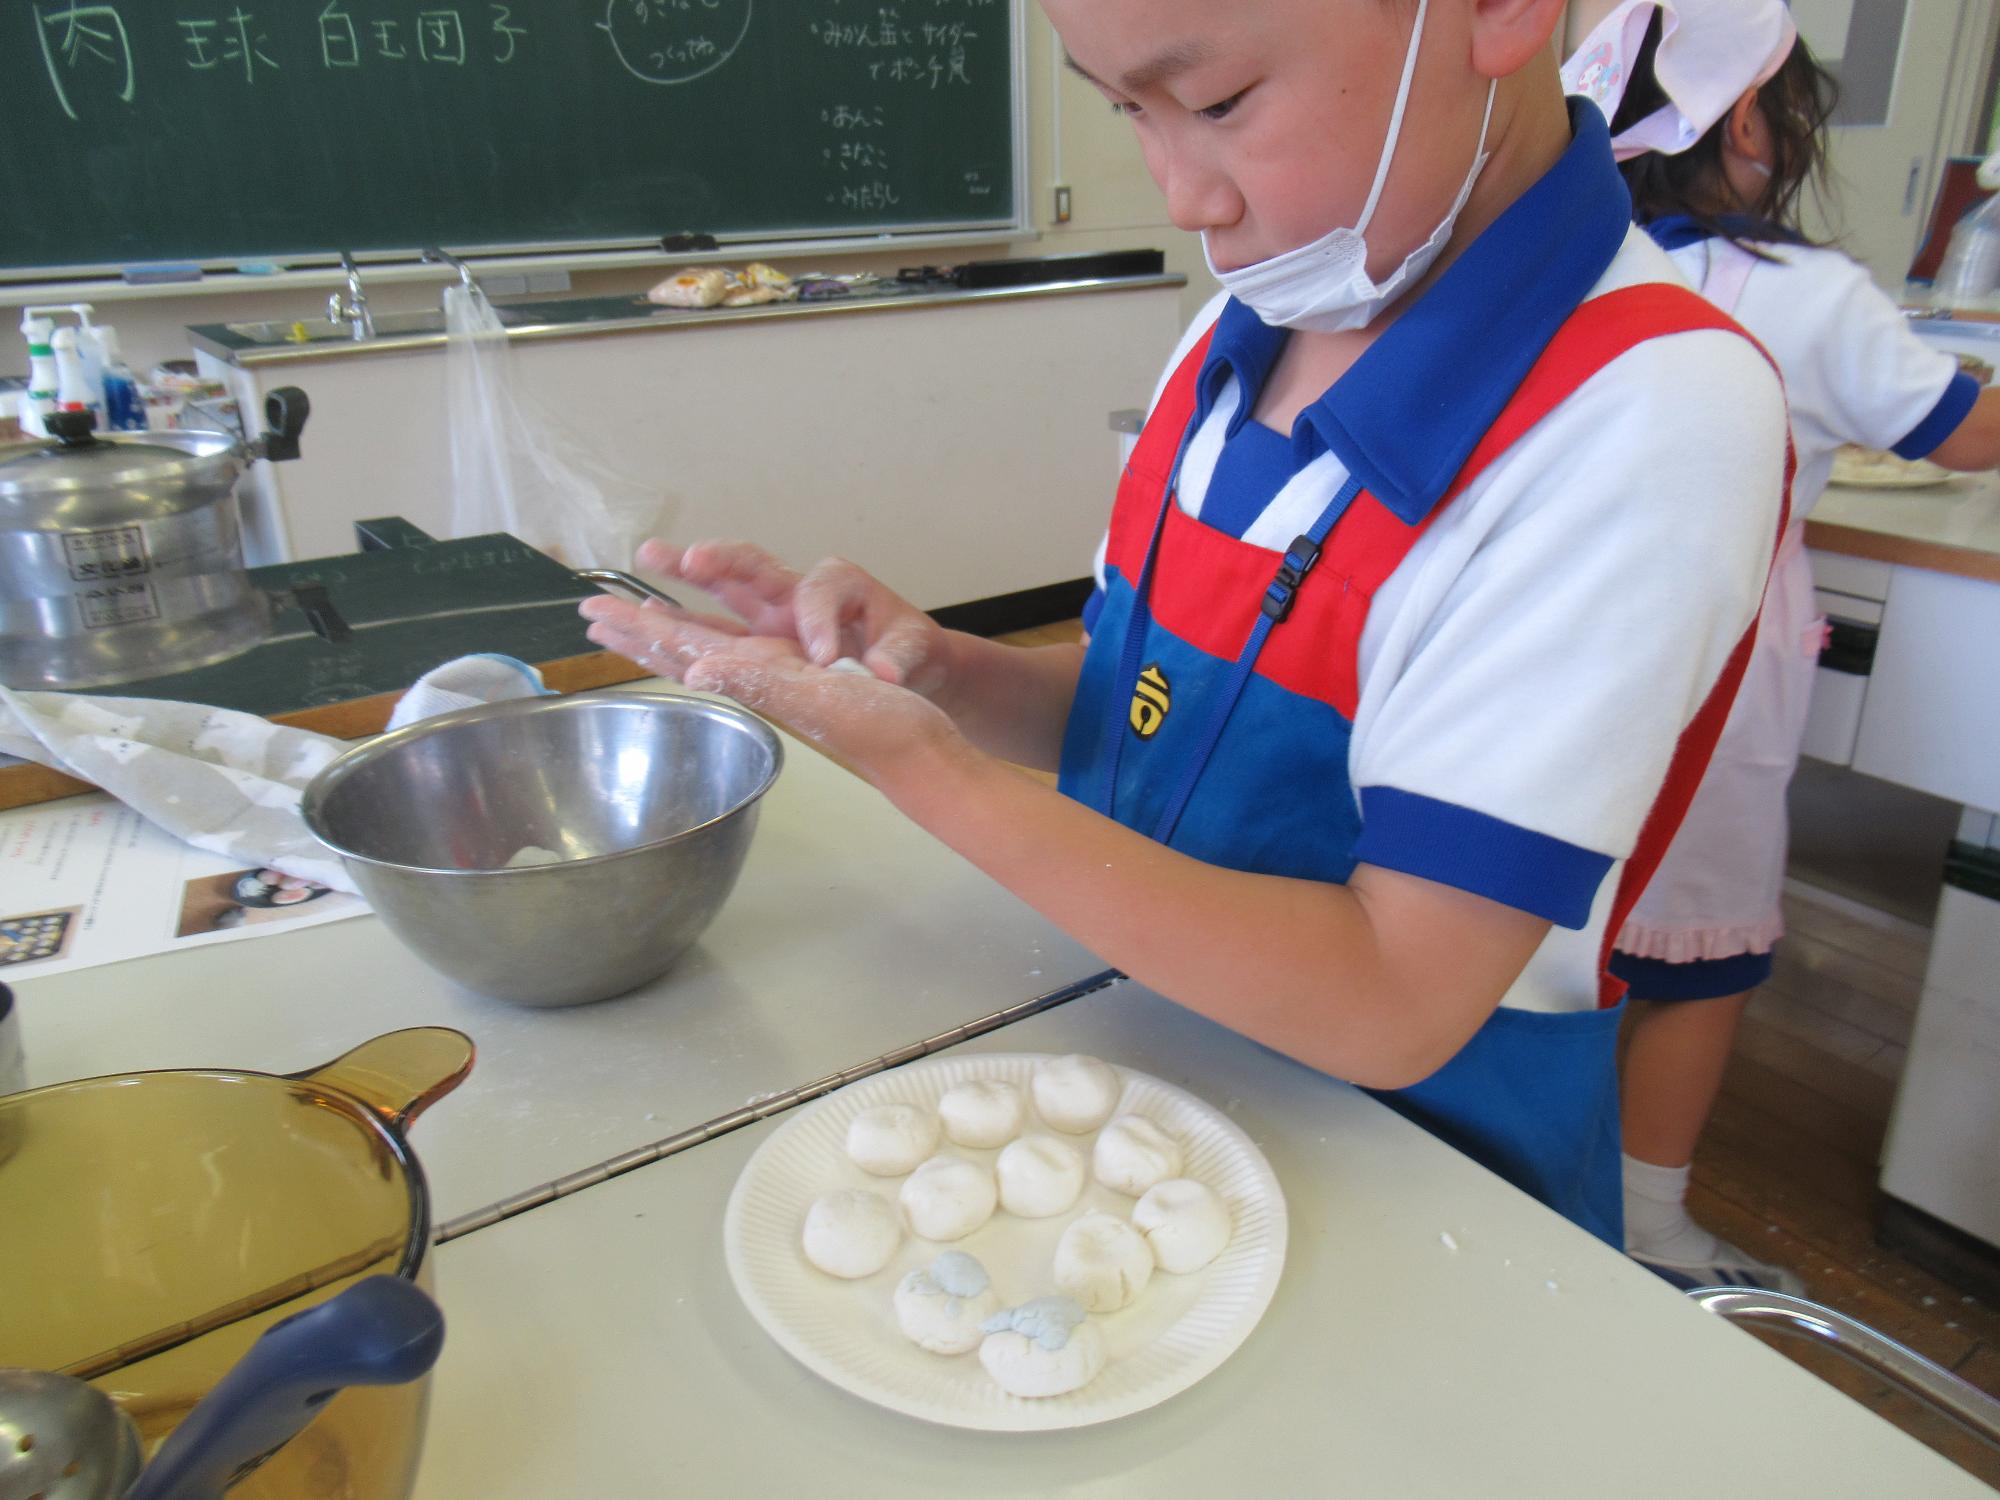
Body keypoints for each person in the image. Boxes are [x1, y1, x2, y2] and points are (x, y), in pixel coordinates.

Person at [582, 0, 1789, 1245]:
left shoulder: (1647, 416)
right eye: (1124, 109)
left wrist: (929, 775)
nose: (1181, 196)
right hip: (1131, 1085)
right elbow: (1141, 705)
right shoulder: (1238, 338)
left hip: (1415, 1194)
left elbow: (1394, 996)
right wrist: (938, 678)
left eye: (1215, 105)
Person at [1563, 0, 2000, 1291]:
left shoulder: (1571, 266)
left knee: (1548, 917)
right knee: (1703, 955)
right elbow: (1961, 432)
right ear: (1749, 118)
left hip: (1546, 642)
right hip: (1709, 671)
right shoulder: (1809, 299)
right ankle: (1646, 1229)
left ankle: (1524, 1167)